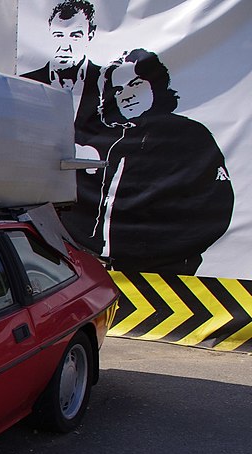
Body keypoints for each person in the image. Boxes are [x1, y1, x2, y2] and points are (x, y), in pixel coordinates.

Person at [93, 49, 233, 274]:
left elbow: (218, 204)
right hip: (117, 268)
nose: (126, 96)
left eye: (135, 85)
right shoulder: (118, 142)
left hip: (170, 271)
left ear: (156, 85)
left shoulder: (190, 135)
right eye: (118, 90)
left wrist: (175, 251)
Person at [21, 1, 113, 248]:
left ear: (90, 35)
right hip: (36, 217)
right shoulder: (24, 84)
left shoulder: (110, 85)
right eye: (59, 35)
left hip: (92, 215)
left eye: (75, 35)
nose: (65, 44)